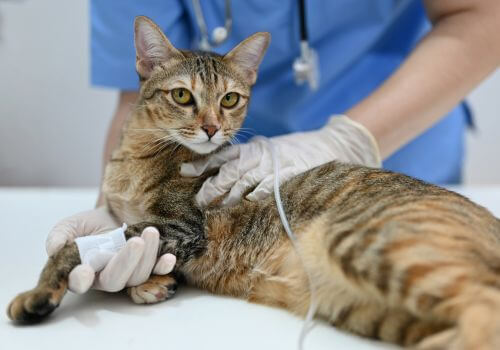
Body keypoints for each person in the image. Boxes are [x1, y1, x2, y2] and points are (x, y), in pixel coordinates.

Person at [46, 0, 500, 293]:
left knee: (434, 275)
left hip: (405, 135)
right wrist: (117, 204)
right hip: (234, 181)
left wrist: (349, 140)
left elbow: (483, 12)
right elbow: (143, 101)